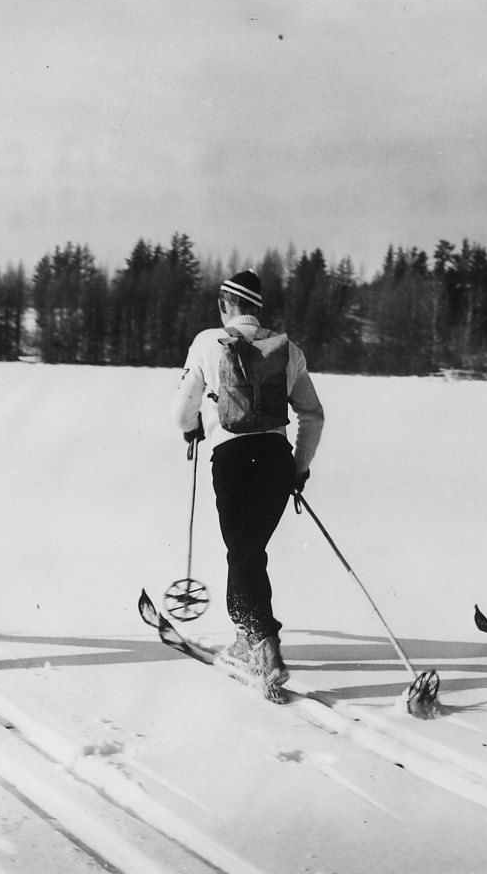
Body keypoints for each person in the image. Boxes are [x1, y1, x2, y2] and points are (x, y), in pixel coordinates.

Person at [171, 270, 325, 699]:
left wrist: (192, 429)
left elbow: (182, 408)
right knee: (248, 551)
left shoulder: (208, 342)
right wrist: (298, 467)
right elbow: (313, 416)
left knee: (243, 552)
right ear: (257, 309)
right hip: (276, 461)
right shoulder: (287, 350)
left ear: (225, 305)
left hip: (234, 458)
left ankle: (264, 645)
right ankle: (248, 635)